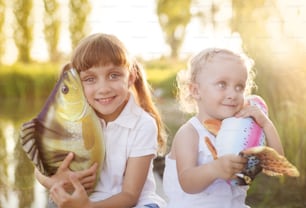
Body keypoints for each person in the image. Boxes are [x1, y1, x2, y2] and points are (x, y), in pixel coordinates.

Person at [35, 33, 168, 208]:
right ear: (78, 83)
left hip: (132, 203)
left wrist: (86, 207)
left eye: (114, 75)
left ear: (130, 77)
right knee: (55, 201)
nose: (103, 88)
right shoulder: (72, 121)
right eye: (90, 79)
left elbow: (130, 196)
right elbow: (39, 169)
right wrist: (55, 182)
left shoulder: (142, 124)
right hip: (84, 200)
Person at [162, 48, 284, 208]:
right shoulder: (190, 133)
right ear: (196, 91)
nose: (233, 94)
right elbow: (187, 182)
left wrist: (266, 124)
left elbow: (277, 166)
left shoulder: (242, 132)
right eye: (222, 84)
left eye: (239, 87)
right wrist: (215, 169)